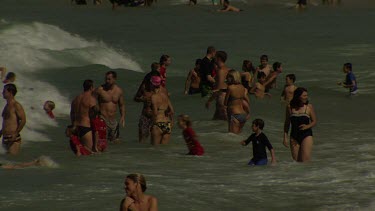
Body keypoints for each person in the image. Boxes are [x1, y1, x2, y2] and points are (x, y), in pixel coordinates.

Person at [283, 87, 317, 162]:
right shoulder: (289, 107)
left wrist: (307, 126)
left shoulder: (309, 107)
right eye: (304, 96)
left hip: (306, 135)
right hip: (294, 136)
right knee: (296, 162)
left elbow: (314, 121)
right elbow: (287, 123)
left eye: (307, 95)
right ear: (298, 96)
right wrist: (285, 137)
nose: (306, 97)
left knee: (305, 161)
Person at [96, 71, 125, 143]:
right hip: (102, 119)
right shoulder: (100, 90)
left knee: (116, 143)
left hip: (113, 122)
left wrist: (123, 117)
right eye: (106, 79)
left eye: (109, 79)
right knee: (102, 142)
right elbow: (93, 103)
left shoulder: (119, 91)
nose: (107, 81)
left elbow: (121, 105)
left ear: (114, 79)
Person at [134, 63, 157, 143]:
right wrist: (142, 100)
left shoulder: (159, 88)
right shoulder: (144, 87)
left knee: (153, 140)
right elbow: (135, 98)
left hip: (155, 116)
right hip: (145, 115)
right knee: (142, 140)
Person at [70, 80, 96, 150]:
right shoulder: (91, 99)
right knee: (89, 154)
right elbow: (94, 115)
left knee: (79, 154)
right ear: (91, 87)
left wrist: (73, 125)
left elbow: (72, 114)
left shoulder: (76, 99)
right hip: (86, 128)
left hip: (75, 128)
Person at [1, 84, 26, 155]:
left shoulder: (16, 105)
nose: (2, 93)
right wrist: (1, 132)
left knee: (11, 162)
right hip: (5, 137)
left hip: (13, 138)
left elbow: (23, 120)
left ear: (10, 92)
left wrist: (16, 133)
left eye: (4, 91)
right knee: (6, 162)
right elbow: (6, 122)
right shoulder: (6, 106)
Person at [205, 51, 230, 120]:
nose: (213, 58)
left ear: (218, 58)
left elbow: (218, 88)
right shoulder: (228, 69)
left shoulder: (220, 71)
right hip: (226, 98)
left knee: (225, 123)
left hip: (221, 99)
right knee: (216, 122)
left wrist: (209, 101)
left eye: (215, 56)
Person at [224, 69, 250, 134]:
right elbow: (245, 100)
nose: (226, 78)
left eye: (228, 77)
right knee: (237, 136)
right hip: (243, 114)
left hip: (234, 115)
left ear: (233, 78)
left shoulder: (230, 87)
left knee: (232, 137)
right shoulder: (242, 87)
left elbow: (225, 103)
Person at [150, 76, 174, 145]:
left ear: (152, 84)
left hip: (158, 124)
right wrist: (171, 122)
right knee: (163, 151)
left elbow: (155, 112)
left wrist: (152, 124)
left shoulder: (154, 97)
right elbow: (172, 111)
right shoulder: (165, 95)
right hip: (167, 124)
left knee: (154, 150)